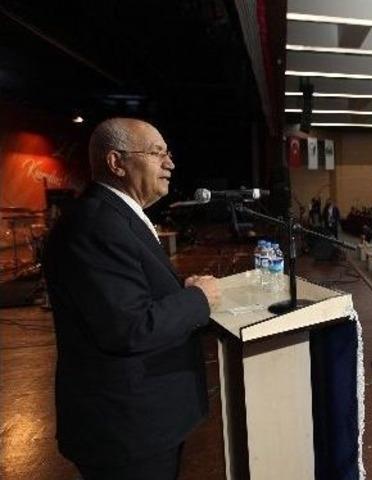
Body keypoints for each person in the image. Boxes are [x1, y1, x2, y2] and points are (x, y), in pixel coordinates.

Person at [43, 118, 222, 480]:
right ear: (116, 162)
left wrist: (178, 292)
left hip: (139, 423)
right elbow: (129, 327)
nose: (169, 163)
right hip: (125, 430)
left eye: (168, 153)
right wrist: (198, 298)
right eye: (157, 153)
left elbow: (127, 296)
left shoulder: (116, 216)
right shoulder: (97, 224)